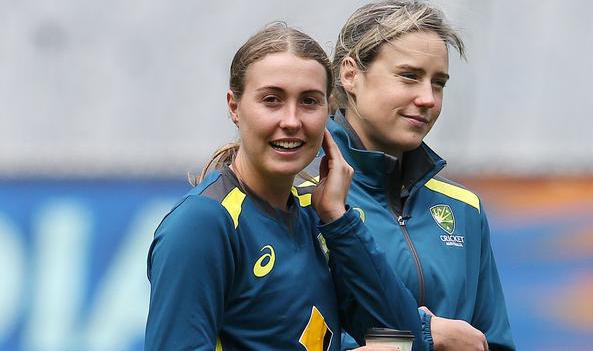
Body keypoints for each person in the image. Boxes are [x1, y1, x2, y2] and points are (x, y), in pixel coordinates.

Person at [144, 23, 435, 350]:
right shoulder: (204, 223)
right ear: (234, 107)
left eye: (310, 101)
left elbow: (403, 335)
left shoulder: (317, 220)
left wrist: (339, 220)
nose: (292, 120)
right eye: (272, 99)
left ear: (328, 111)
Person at [294, 0, 515, 351]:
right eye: (409, 76)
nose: (428, 98)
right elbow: (284, 335)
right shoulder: (300, 197)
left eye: (438, 82)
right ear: (350, 74)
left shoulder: (463, 208)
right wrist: (423, 337)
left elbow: (492, 342)